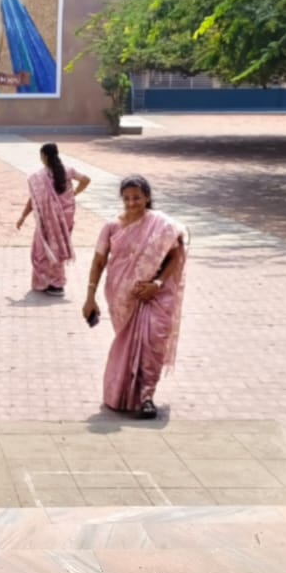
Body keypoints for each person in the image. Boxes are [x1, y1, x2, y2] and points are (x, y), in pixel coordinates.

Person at [82, 175, 188, 419]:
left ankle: (146, 396)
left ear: (147, 197)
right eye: (127, 198)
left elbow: (176, 255)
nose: (132, 203)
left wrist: (157, 284)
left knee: (153, 341)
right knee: (130, 346)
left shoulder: (162, 225)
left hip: (155, 296)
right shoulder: (111, 227)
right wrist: (90, 297)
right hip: (121, 296)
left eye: (137, 198)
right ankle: (126, 393)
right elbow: (98, 262)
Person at [16, 142, 91, 296]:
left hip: (48, 221)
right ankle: (56, 283)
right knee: (58, 248)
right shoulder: (68, 170)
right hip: (66, 217)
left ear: (44, 156)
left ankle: (49, 283)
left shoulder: (39, 176)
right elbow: (86, 180)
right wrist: (74, 193)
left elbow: (33, 199)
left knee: (41, 250)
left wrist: (23, 216)